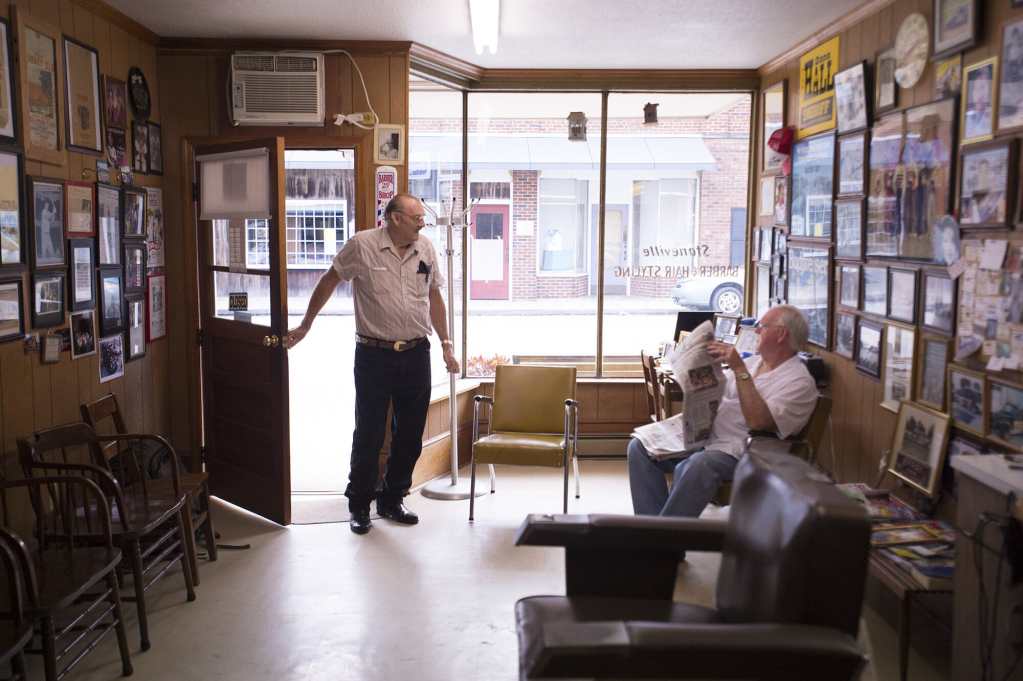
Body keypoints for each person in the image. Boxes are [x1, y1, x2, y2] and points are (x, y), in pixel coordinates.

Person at [285, 193, 459, 535]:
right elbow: (329, 280)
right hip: (374, 355)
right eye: (416, 217)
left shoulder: (425, 248)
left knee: (410, 433)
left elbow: (434, 295)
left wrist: (447, 344)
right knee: (369, 432)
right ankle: (359, 505)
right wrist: (306, 324)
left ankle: (393, 498)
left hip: (416, 353)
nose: (422, 222)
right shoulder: (362, 246)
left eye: (422, 217)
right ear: (394, 218)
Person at [627, 304, 818, 520]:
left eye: (762, 326)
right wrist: (696, 370)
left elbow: (758, 421)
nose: (756, 331)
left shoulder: (799, 381)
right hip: (706, 438)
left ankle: (663, 543)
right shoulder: (754, 363)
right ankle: (651, 531)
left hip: (746, 452)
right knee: (639, 448)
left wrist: (739, 370)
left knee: (696, 466)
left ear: (781, 334)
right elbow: (716, 393)